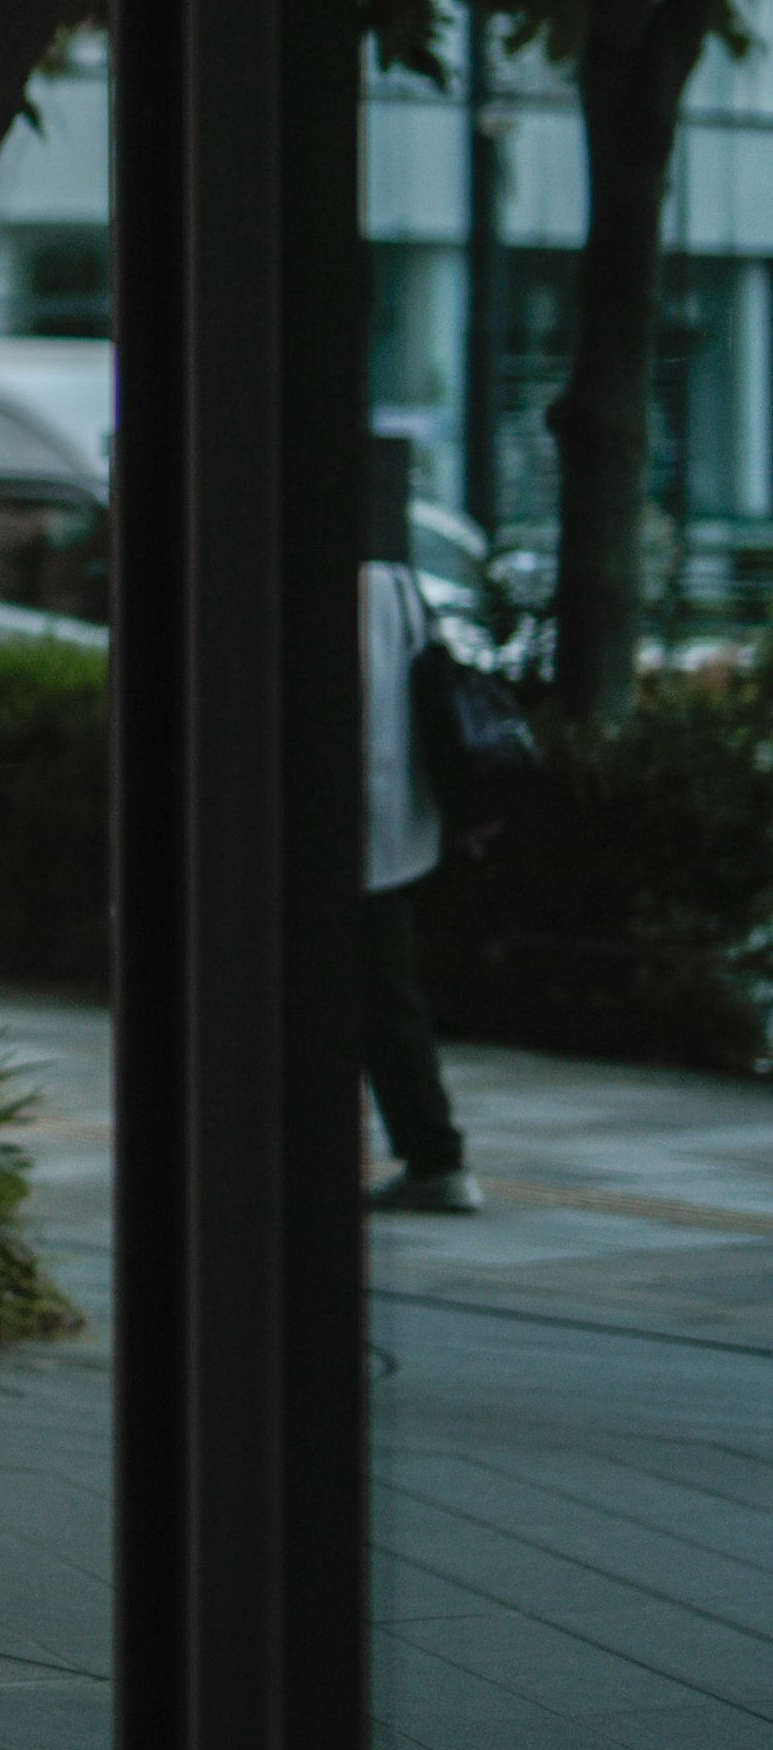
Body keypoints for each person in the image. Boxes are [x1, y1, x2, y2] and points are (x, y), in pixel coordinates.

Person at [361, 447, 479, 1213]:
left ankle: (435, 1157)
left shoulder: (352, 584)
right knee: (383, 997)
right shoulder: (398, 581)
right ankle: (434, 1156)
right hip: (392, 829)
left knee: (377, 998)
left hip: (351, 834)